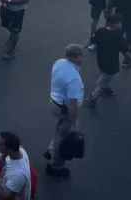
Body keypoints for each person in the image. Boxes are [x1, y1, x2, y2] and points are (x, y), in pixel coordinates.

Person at [46, 44, 84, 178]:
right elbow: (72, 104)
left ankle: (50, 151)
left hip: (54, 102)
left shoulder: (59, 62)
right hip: (64, 109)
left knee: (59, 129)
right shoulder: (74, 78)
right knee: (64, 136)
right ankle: (55, 166)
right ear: (77, 58)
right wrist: (74, 125)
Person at [87, 13, 128, 107]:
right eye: (120, 23)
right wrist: (130, 58)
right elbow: (125, 52)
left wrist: (82, 47)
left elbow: (91, 40)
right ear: (115, 24)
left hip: (101, 59)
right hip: (111, 63)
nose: (121, 24)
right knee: (105, 79)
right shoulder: (119, 37)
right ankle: (93, 96)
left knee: (105, 75)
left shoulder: (100, 31)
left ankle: (106, 89)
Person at [0, 131, 32, 200]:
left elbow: (4, 197)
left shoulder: (18, 174)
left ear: (9, 150)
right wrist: (3, 155)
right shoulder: (19, 150)